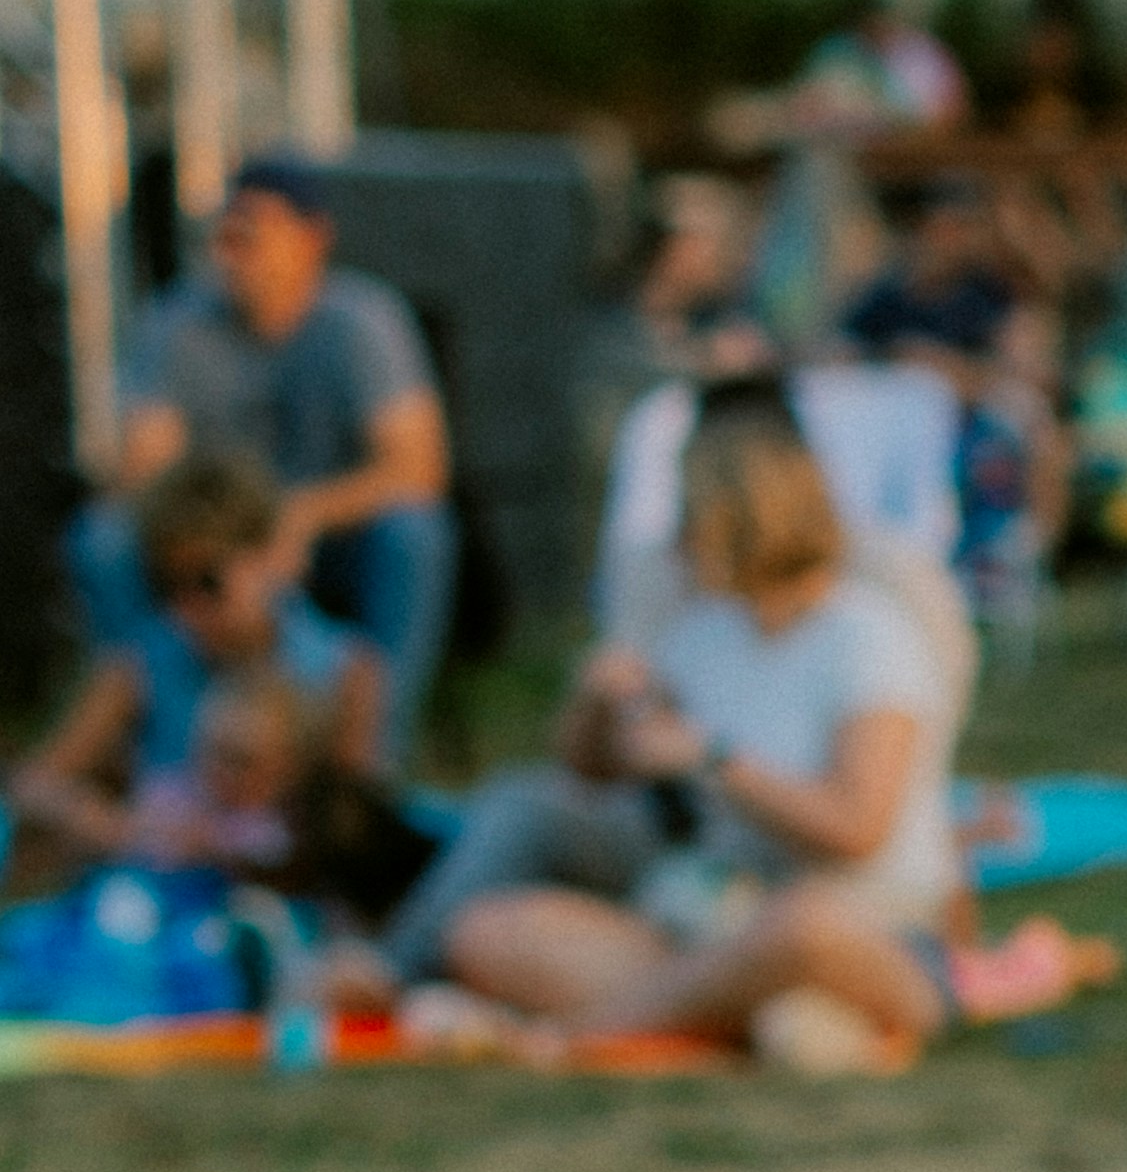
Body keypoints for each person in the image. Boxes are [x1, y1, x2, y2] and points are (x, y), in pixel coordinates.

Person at [437, 403, 964, 1069]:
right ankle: (754, 1020)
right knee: (488, 933)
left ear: (745, 516)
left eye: (691, 514)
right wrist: (596, 704)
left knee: (803, 924)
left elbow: (856, 827)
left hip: (870, 929)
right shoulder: (702, 635)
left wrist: (716, 760)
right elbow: (590, 772)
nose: (677, 537)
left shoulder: (867, 635)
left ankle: (586, 1035)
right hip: (712, 925)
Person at [105, 158, 457, 753]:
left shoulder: (364, 321)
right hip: (216, 539)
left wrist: (299, 517)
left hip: (331, 541)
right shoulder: (178, 325)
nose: (234, 247)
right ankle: (153, 745)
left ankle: (368, 764)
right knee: (104, 541)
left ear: (313, 237)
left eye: (255, 229)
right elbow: (144, 470)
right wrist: (226, 546)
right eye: (227, 230)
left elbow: (419, 468)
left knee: (415, 534)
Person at [5, 455, 389, 886]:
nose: (188, 608)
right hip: (156, 889)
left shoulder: (347, 670)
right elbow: (36, 783)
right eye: (168, 586)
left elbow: (350, 832)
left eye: (208, 581)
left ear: (267, 556)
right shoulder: (140, 665)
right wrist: (101, 820)